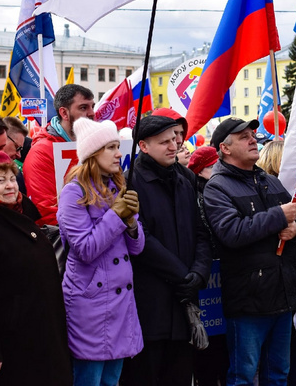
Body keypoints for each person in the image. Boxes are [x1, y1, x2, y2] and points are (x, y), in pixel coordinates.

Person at [203, 117, 296, 386]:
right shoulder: (217, 187)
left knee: (279, 374)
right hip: (248, 301)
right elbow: (232, 233)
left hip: (283, 294)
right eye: (243, 137)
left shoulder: (269, 181)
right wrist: (278, 218)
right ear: (225, 148)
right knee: (244, 376)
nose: (253, 139)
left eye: (252, 134)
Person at [0, 151, 72, 386]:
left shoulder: (22, 217)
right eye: (0, 181)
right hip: (13, 345)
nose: (10, 186)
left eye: (12, 178)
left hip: (42, 337)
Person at [57, 118, 144, 386]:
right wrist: (117, 216)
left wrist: (131, 223)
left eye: (118, 146)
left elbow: (138, 248)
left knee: (111, 381)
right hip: (90, 305)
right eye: (111, 147)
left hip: (119, 304)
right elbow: (85, 249)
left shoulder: (117, 187)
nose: (119, 154)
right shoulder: (73, 193)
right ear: (93, 154)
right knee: (89, 381)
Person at [126, 115, 212, 386]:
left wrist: (199, 273)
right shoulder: (130, 183)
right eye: (164, 142)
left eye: (174, 139)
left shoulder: (186, 178)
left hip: (185, 302)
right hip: (150, 304)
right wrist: (182, 275)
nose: (173, 146)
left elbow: (201, 232)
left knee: (180, 375)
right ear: (143, 145)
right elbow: (141, 238)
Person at [187, 146, 230, 386]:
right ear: (200, 171)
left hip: (224, 278)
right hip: (204, 277)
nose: (219, 171)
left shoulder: (223, 191)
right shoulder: (195, 197)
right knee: (206, 354)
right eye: (214, 167)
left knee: (225, 353)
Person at [23, 84, 95, 225]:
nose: (92, 113)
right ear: (64, 113)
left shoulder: (95, 146)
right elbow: (46, 212)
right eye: (83, 107)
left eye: (92, 106)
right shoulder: (42, 153)